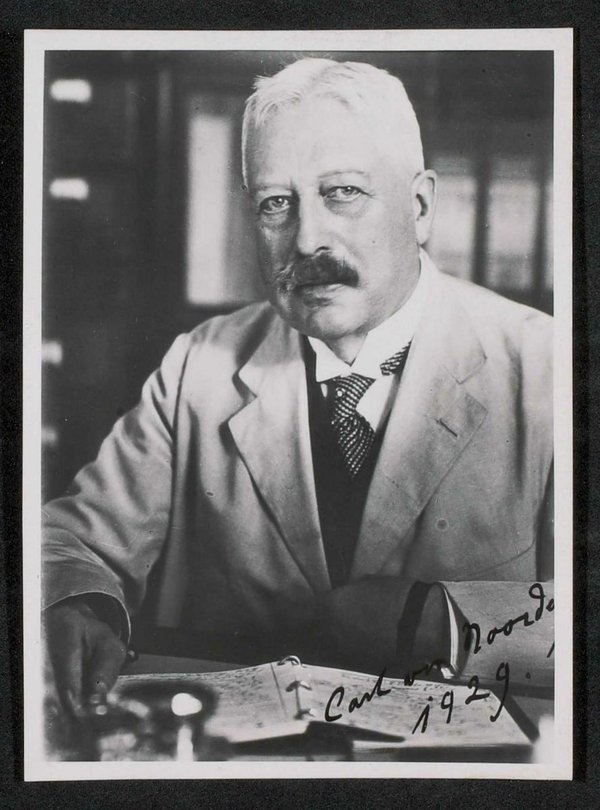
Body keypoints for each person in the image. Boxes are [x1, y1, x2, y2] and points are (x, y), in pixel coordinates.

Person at [43, 58, 554, 718]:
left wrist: (443, 623)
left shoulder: (545, 367)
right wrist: (79, 603)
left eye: (343, 192)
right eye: (275, 204)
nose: (307, 239)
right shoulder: (200, 365)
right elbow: (70, 542)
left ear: (420, 206)